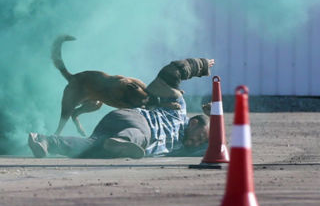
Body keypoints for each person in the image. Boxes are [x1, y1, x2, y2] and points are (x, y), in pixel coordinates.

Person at [27, 58, 215, 159]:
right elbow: (170, 73)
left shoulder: (181, 148)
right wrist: (198, 65)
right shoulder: (178, 111)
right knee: (140, 136)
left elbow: (215, 149)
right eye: (199, 136)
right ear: (194, 122)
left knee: (90, 147)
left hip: (112, 126)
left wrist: (217, 118)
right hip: (135, 120)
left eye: (200, 143)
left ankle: (44, 141)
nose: (197, 143)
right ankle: (121, 140)